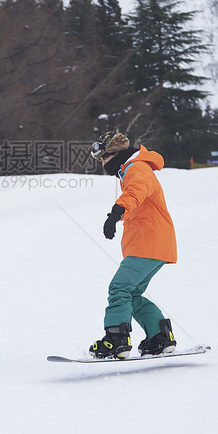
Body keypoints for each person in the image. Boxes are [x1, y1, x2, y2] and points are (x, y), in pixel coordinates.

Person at [87, 131, 178, 359]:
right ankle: (159, 337)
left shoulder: (136, 168)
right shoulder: (131, 169)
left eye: (104, 158)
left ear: (115, 154)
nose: (103, 164)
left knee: (118, 288)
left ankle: (116, 340)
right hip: (151, 244)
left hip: (149, 243)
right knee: (132, 295)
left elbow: (136, 191)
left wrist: (115, 213)